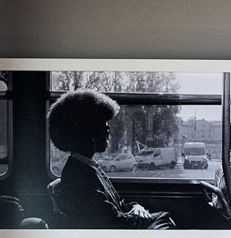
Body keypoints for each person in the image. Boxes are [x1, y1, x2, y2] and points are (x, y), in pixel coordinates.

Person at [47, 89, 175, 230]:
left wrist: (136, 207)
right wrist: (144, 217)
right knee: (165, 217)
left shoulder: (88, 166)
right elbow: (110, 220)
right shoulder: (78, 176)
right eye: (104, 128)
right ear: (88, 132)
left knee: (164, 218)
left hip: (118, 228)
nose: (108, 134)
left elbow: (118, 203)